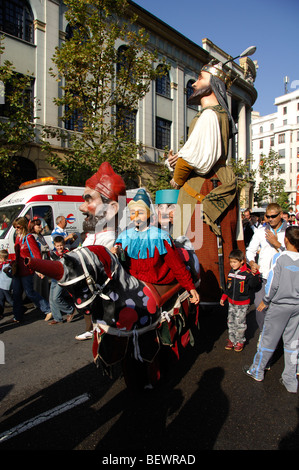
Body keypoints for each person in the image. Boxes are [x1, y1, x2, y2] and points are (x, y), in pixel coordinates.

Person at [166, 59, 243, 302]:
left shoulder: (210, 115)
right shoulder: (213, 116)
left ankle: (202, 295)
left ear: (214, 84)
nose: (195, 82)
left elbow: (194, 159)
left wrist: (177, 178)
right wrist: (177, 160)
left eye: (200, 77)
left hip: (203, 187)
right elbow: (192, 154)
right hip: (212, 183)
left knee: (196, 247)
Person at [113, 189, 200, 305]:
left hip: (156, 285)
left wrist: (190, 287)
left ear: (148, 214)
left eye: (141, 212)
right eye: (133, 213)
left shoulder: (161, 237)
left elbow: (176, 265)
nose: (137, 216)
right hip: (132, 285)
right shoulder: (124, 236)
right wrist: (114, 253)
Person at [243, 226, 299, 393]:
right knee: (293, 342)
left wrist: (265, 301)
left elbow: (273, 284)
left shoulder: (279, 258)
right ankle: (290, 379)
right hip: (297, 306)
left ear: (286, 240)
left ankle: (257, 370)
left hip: (279, 305)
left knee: (268, 339)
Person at [75, 161, 126, 340]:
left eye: (88, 200)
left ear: (112, 208)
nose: (82, 208)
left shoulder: (112, 241)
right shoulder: (92, 237)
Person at [246, 203, 288, 331]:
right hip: (264, 277)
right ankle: (264, 336)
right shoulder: (260, 232)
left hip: (284, 278)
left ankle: (278, 337)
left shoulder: (290, 231)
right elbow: (250, 251)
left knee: (280, 311)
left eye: (273, 216)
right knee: (260, 307)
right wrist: (252, 263)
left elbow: (294, 255)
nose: (270, 219)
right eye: (268, 216)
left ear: (281, 215)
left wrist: (277, 244)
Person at [220, 249, 261, 352]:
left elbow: (254, 284)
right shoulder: (231, 273)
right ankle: (232, 340)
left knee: (240, 323)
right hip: (231, 302)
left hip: (242, 304)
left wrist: (255, 274)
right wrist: (224, 297)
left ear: (242, 261)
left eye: (235, 262)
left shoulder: (247, 273)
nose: (232, 264)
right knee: (231, 321)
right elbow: (229, 288)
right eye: (231, 262)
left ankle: (240, 341)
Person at [12, 217, 51, 323]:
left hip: (27, 270)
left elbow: (35, 253)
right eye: (15, 227)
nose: (16, 229)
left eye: (18, 227)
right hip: (18, 270)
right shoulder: (18, 237)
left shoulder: (29, 237)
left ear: (23, 226)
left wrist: (39, 268)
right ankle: (17, 315)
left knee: (30, 292)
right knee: (16, 293)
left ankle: (47, 309)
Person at [48, 236, 76, 325]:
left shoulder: (67, 253)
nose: (59, 247)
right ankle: (57, 318)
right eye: (57, 246)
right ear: (54, 245)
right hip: (54, 277)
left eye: (61, 245)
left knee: (56, 298)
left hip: (63, 278)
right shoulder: (53, 253)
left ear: (63, 245)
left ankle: (70, 310)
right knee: (51, 299)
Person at [28, 218, 50, 301]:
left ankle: (46, 302)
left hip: (45, 263)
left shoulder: (40, 236)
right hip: (38, 265)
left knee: (45, 285)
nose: (41, 226)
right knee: (38, 286)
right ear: (33, 227)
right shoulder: (32, 237)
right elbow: (35, 252)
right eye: (38, 225)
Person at [0, 249, 13, 319]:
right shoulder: (1, 265)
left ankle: (19, 308)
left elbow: (10, 275)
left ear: (2, 258)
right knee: (1, 299)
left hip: (5, 286)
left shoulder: (8, 265)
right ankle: (0, 313)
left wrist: (7, 271)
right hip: (1, 285)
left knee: (9, 300)